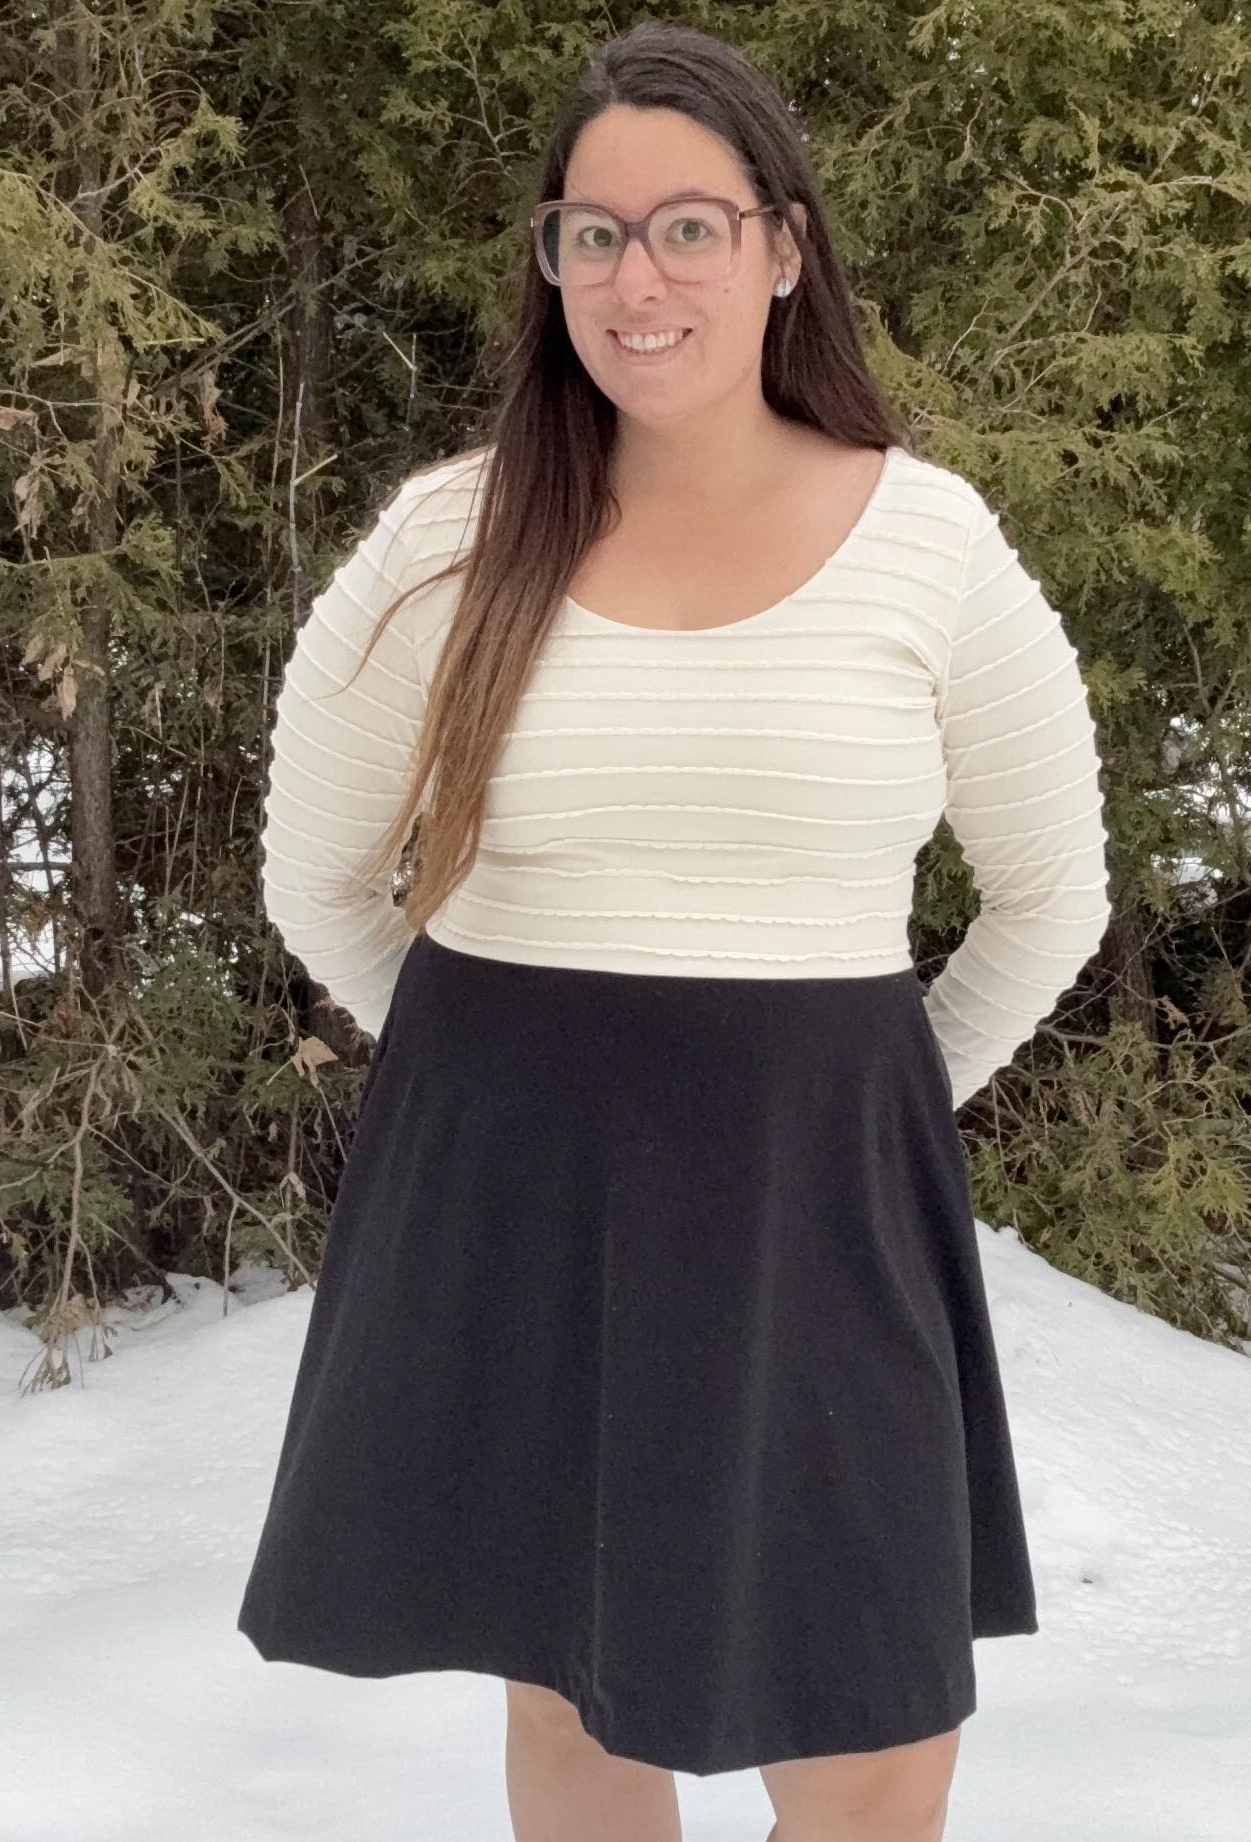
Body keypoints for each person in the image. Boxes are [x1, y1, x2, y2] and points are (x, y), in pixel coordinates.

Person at [236, 21, 1111, 1842]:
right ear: (551, 261)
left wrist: (865, 1105)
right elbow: (315, 881)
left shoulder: (929, 542)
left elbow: (1050, 898)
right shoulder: (446, 541)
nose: (638, 279)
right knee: (573, 1700)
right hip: (527, 1206)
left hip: (821, 1211)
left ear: (783, 248)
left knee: (876, 1751)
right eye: (594, 233)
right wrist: (497, 1083)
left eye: (688, 227)